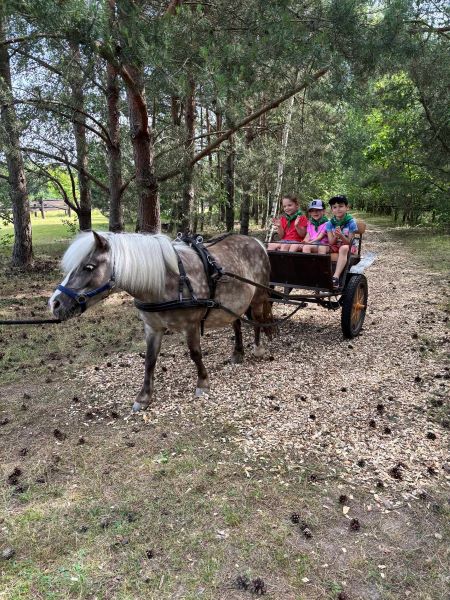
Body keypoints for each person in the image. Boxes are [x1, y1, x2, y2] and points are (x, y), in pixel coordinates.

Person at [325, 195, 358, 288]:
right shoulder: (330, 223)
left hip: (349, 247)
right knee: (322, 248)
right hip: (335, 245)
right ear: (332, 209)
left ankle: (336, 277)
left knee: (343, 248)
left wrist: (341, 236)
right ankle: (320, 274)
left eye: (341, 206)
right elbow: (331, 242)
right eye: (335, 207)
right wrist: (336, 236)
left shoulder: (351, 222)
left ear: (347, 207)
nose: (338, 209)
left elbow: (350, 243)